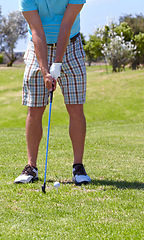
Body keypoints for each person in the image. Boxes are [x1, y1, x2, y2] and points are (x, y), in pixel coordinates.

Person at [14, 0, 91, 185]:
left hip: (71, 46)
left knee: (75, 108)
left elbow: (66, 26)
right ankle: (31, 167)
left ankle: (78, 167)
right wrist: (45, 70)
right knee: (35, 107)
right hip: (38, 48)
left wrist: (57, 63)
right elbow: (37, 31)